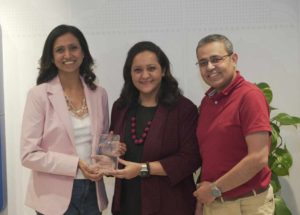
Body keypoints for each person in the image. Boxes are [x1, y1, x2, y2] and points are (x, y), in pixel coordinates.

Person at [20, 24, 124, 215]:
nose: (68, 54)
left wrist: (109, 161)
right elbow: (29, 154)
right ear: (51, 57)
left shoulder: (99, 94)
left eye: (73, 47)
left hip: (93, 192)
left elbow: (104, 140)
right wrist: (76, 164)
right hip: (53, 197)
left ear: (83, 52)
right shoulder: (39, 95)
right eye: (60, 50)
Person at [107, 41, 201, 215]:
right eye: (137, 70)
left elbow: (191, 159)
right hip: (128, 204)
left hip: (171, 206)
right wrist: (112, 153)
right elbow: (111, 151)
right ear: (130, 73)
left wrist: (143, 169)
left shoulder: (184, 109)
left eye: (151, 68)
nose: (145, 75)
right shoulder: (121, 107)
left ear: (163, 70)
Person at [193, 34, 275, 215]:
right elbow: (211, 156)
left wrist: (214, 189)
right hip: (216, 202)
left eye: (216, 59)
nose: (210, 67)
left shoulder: (249, 96)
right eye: (203, 62)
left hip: (247, 205)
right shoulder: (207, 102)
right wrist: (203, 201)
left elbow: (258, 158)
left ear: (234, 59)